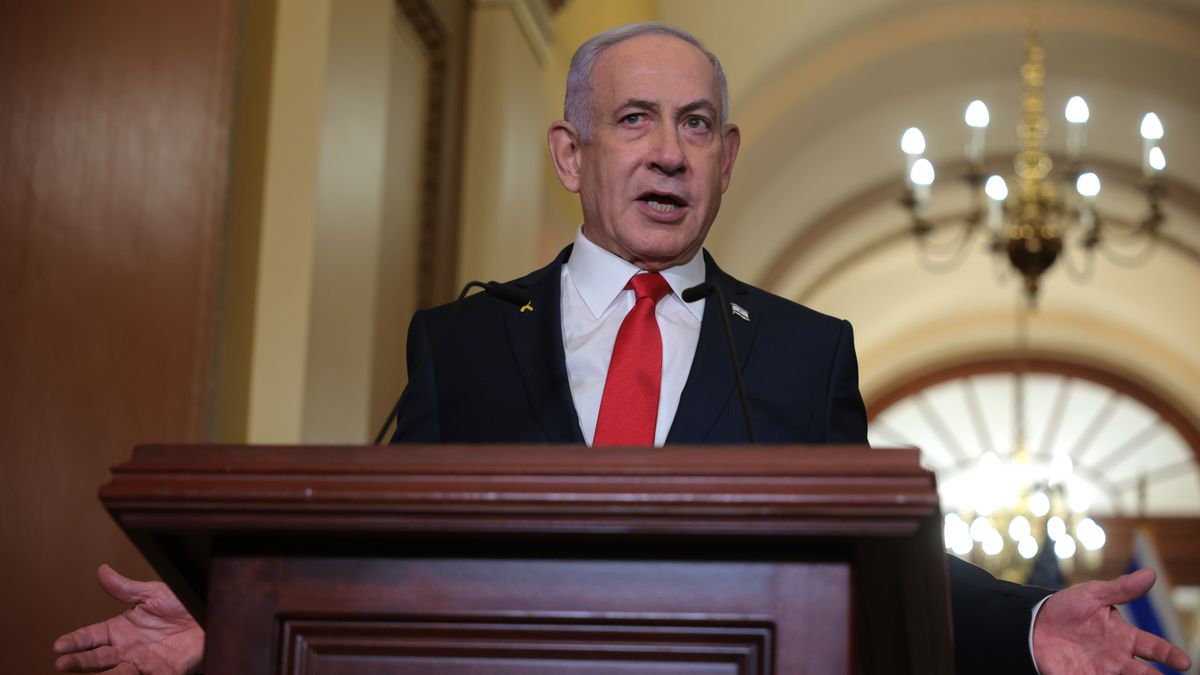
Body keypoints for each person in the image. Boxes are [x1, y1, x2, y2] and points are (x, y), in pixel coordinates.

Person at [55, 23, 1191, 675]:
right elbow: (380, 558)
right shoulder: (462, 340)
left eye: (696, 125)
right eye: (634, 120)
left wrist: (1033, 622)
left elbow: (885, 569)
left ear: (727, 156)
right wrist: (231, 631)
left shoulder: (802, 354)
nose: (669, 152)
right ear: (569, 152)